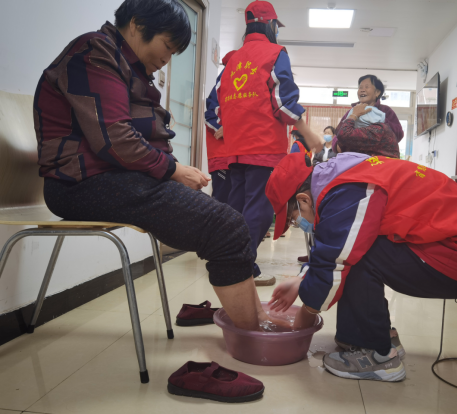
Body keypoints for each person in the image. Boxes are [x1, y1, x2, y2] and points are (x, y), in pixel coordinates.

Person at [34, 0, 276, 332]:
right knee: (226, 226)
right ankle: (253, 334)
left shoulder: (129, 67)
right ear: (136, 24)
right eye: (167, 45)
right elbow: (115, 139)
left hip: (112, 178)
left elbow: (134, 139)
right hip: (79, 184)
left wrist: (172, 169)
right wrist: (173, 171)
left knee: (229, 225)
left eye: (174, 52)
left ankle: (256, 319)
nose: (167, 59)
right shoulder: (95, 51)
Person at [265, 152, 457, 381]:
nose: (300, 224)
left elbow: (338, 257)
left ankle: (378, 356)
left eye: (294, 219)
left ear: (304, 199)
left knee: (358, 253)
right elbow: (332, 243)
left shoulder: (349, 189)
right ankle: (369, 336)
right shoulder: (341, 175)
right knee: (355, 244)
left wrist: (302, 322)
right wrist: (301, 280)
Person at [212, 0, 323, 287]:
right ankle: (241, 267)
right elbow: (283, 100)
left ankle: (227, 259)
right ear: (271, 25)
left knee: (236, 207)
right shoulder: (275, 53)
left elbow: (218, 102)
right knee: (260, 208)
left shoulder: (231, 60)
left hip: (234, 148)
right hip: (263, 144)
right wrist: (306, 131)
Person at [333, 75, 403, 157]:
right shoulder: (352, 111)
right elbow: (339, 133)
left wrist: (377, 120)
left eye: (367, 87)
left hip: (378, 158)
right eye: (360, 87)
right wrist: (337, 146)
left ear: (377, 92)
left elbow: (398, 135)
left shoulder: (385, 111)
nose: (362, 90)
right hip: (354, 157)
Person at [204, 50, 236, 203]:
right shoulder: (224, 81)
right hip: (223, 157)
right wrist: (229, 129)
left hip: (235, 157)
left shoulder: (238, 88)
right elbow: (210, 115)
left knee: (234, 205)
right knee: (223, 204)